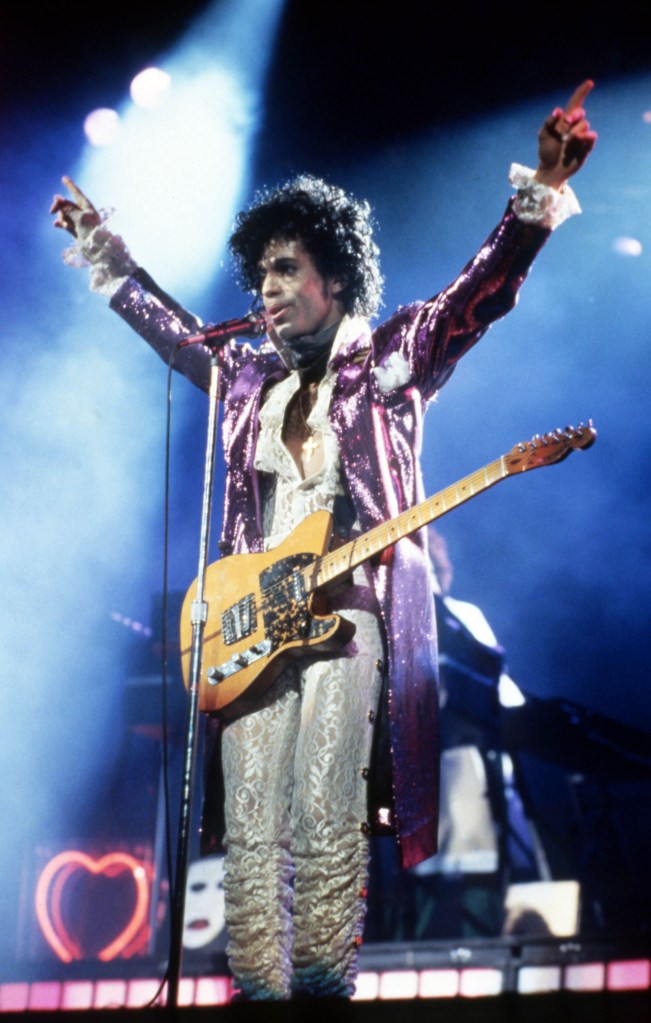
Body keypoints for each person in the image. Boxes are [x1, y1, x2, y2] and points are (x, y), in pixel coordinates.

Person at [50, 81, 596, 1000]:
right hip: (252, 621)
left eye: (286, 270)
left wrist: (536, 195)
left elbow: (476, 297)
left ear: (333, 277)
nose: (266, 290)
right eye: (259, 274)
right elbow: (172, 329)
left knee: (324, 809)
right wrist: (106, 255)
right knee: (253, 822)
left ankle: (320, 989)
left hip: (346, 618)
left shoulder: (387, 359)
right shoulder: (240, 376)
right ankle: (258, 993)